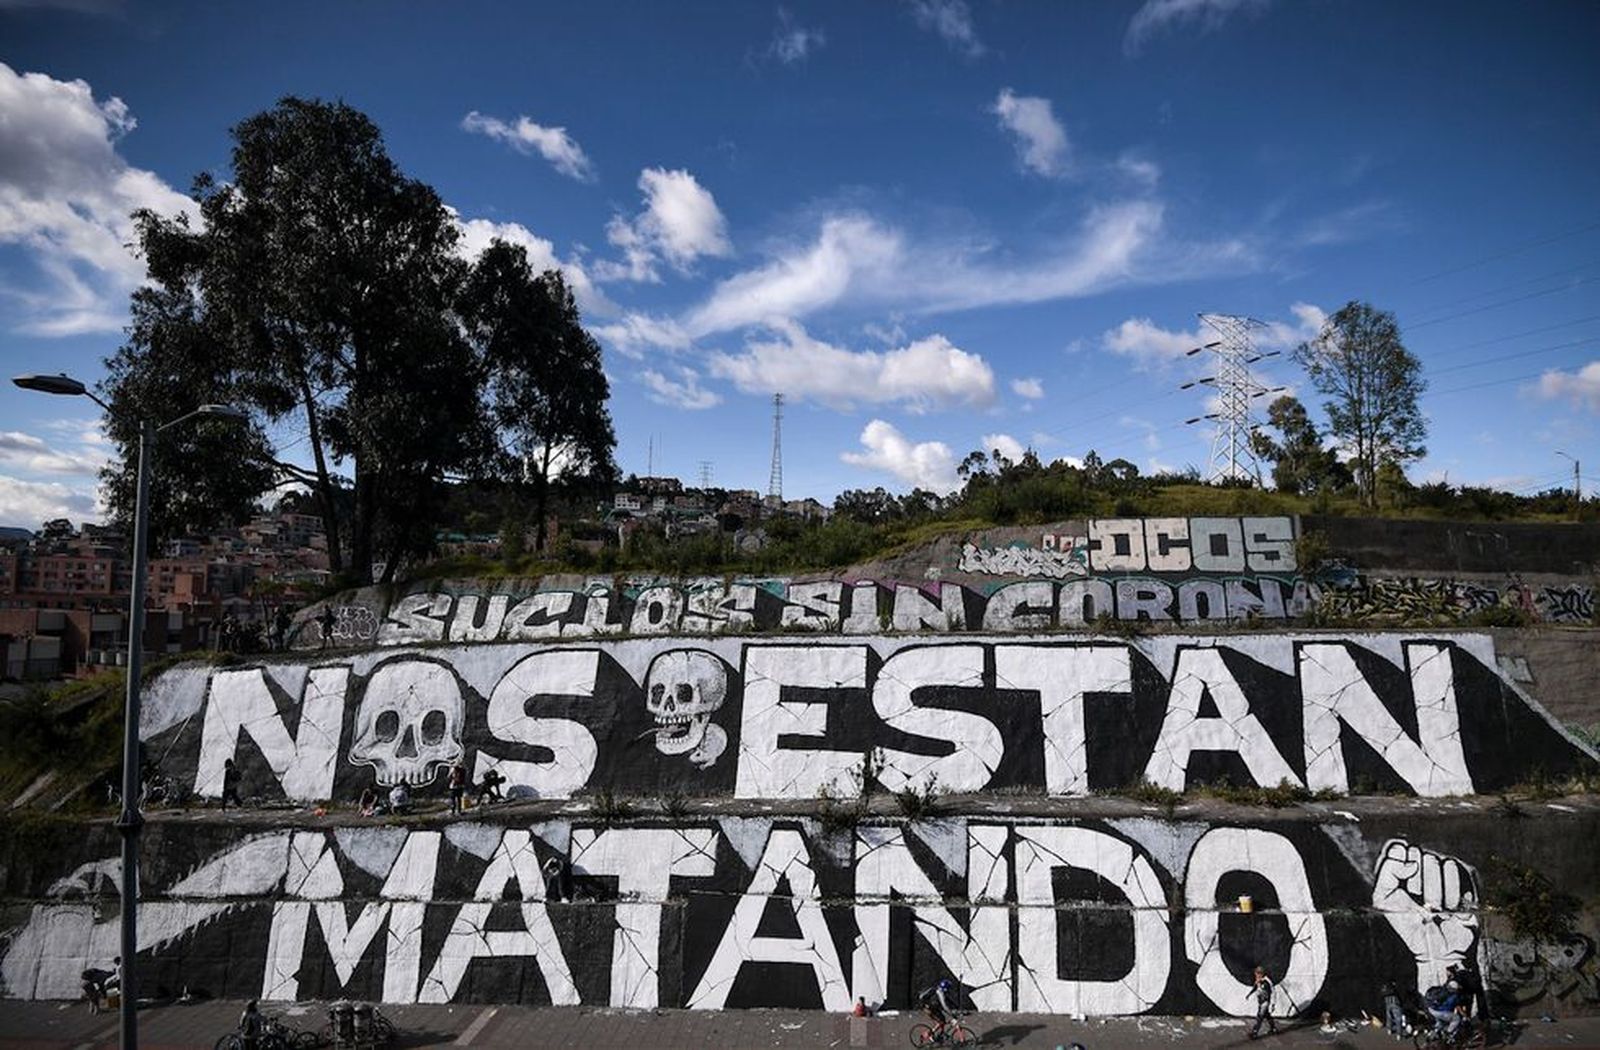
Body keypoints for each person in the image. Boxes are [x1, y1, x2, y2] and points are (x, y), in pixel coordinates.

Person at [1424, 975, 1464, 1042]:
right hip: (1438, 1011)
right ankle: (1449, 1033)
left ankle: (1431, 1036)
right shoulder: (1450, 996)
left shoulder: (1442, 988)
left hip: (1430, 1008)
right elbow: (1452, 1006)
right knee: (1456, 1018)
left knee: (1441, 1023)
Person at [1247, 965, 1278, 1039]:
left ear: (1261, 974)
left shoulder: (1266, 982)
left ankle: (1254, 1033)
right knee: (1267, 1015)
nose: (1256, 975)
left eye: (1257, 974)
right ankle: (1273, 1028)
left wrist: (1273, 1003)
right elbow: (1255, 988)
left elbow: (1271, 992)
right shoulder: (1259, 980)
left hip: (1265, 1002)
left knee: (1259, 1017)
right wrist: (1249, 994)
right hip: (1261, 1001)